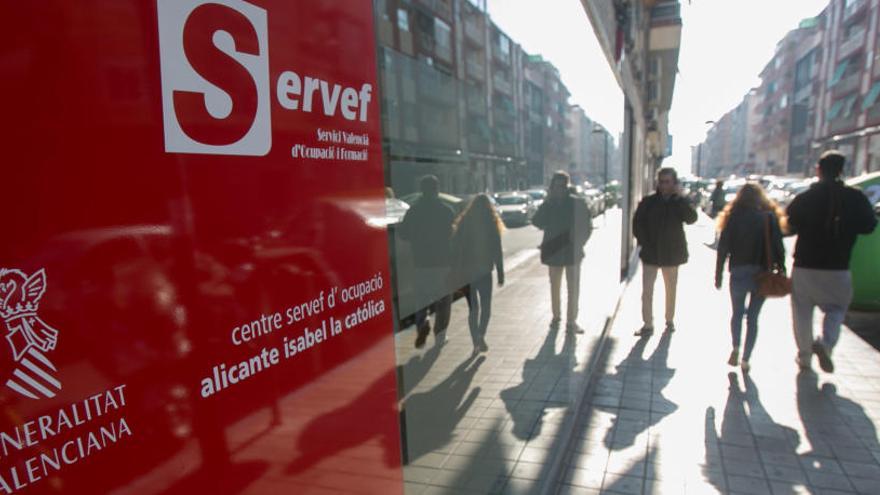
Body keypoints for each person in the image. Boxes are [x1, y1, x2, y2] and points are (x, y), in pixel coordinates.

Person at [787, 150, 877, 372]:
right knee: (837, 309)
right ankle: (826, 344)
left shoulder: (806, 198)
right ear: (842, 170)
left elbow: (788, 224)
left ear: (818, 169)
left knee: (802, 312)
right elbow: (869, 225)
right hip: (838, 267)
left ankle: (805, 356)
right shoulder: (856, 198)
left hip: (805, 265)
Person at [714, 183, 786, 372]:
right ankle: (746, 359)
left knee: (737, 313)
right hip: (761, 273)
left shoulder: (733, 218)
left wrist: (718, 274)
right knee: (753, 318)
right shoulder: (768, 218)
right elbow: (778, 246)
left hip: (738, 271)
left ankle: (735, 347)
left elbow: (723, 248)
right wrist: (782, 268)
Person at [633, 167, 698, 336]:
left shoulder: (678, 202)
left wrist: (680, 197)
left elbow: (691, 218)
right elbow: (637, 224)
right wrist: (645, 243)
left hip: (671, 255)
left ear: (674, 183)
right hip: (650, 254)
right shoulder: (648, 202)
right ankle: (647, 324)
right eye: (661, 182)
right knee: (647, 291)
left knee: (671, 290)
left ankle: (669, 320)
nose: (663, 185)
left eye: (667, 182)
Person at [398, 175, 455, 348]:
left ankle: (422, 327)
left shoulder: (413, 211)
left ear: (422, 190)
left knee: (421, 299)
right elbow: (452, 235)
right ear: (437, 189)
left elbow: (403, 234)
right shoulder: (446, 210)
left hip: (421, 262)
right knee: (444, 300)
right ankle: (440, 335)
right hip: (442, 262)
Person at [532, 171, 592, 332]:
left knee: (573, 288)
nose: (559, 189)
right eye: (556, 186)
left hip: (572, 251)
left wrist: (579, 244)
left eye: (562, 186)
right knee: (555, 286)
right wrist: (547, 201)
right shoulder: (549, 204)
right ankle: (556, 316)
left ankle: (571, 321)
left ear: (567, 186)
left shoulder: (576, 203)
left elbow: (586, 226)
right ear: (552, 187)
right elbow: (536, 221)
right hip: (553, 251)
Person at [451, 194, 505, 354]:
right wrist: (501, 273)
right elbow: (497, 250)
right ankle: (481, 335)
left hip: (467, 272)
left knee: (473, 309)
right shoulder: (491, 223)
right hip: (484, 272)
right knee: (486, 308)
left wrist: (455, 269)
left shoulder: (464, 222)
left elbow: (455, 248)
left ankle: (475, 341)